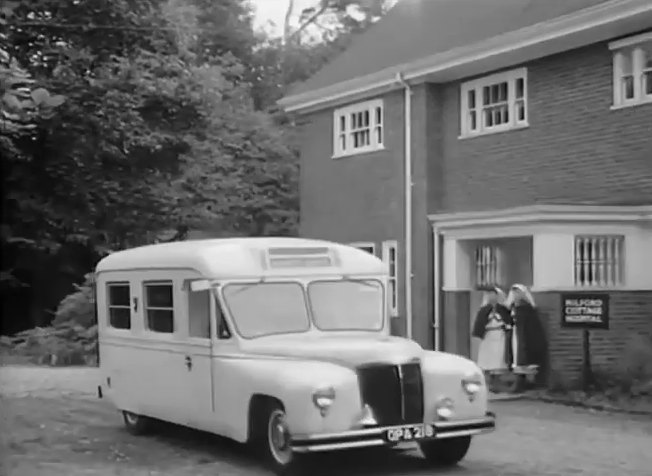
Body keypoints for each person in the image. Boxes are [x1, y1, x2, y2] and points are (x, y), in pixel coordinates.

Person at [472, 287, 512, 382]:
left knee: (498, 356)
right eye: (489, 294)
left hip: (499, 335)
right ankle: (488, 378)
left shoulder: (503, 309)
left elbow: (508, 321)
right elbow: (480, 322)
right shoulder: (484, 309)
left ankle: (497, 379)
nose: (491, 296)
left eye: (493, 294)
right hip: (488, 335)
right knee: (487, 357)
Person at [505, 284, 546, 373]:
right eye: (514, 293)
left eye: (518, 293)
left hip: (525, 335)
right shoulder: (510, 308)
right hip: (514, 333)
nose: (516, 295)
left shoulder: (527, 309)